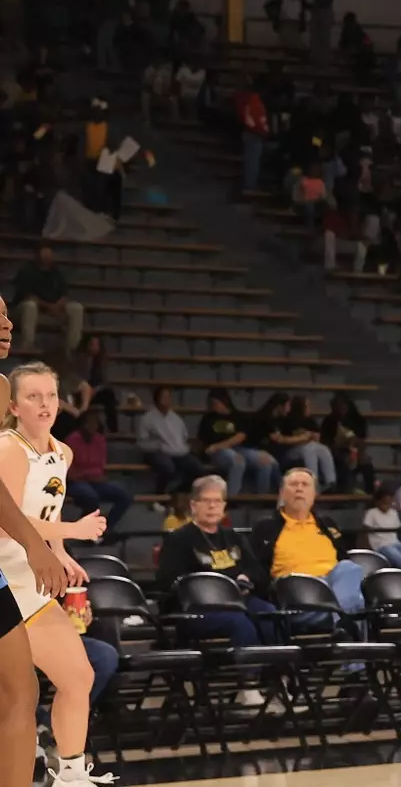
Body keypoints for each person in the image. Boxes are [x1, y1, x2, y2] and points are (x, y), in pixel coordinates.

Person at [0, 363, 113, 786]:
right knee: (17, 693)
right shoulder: (8, 448)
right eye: (33, 397)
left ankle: (69, 774)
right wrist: (73, 531)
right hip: (5, 577)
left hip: (32, 578)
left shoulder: (61, 452)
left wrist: (61, 552)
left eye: (51, 396)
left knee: (78, 676)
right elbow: (8, 519)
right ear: (14, 406)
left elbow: (51, 505)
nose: (45, 404)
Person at [155, 476, 280, 705]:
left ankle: (275, 683)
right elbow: (168, 581)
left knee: (270, 614)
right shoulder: (179, 540)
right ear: (194, 505)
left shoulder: (234, 537)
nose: (212, 506)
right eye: (206, 501)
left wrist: (247, 578)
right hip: (200, 608)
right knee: (239, 622)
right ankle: (248, 685)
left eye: (217, 501)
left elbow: (258, 573)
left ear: (224, 506)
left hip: (239, 600)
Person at [249, 467, 366, 618]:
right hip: (297, 593)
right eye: (293, 484)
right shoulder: (265, 527)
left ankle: (336, 620)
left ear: (314, 494)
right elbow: (257, 571)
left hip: (332, 589)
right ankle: (344, 622)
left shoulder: (327, 524)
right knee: (353, 604)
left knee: (348, 568)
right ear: (282, 493)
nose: (299, 489)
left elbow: (343, 558)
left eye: (305, 485)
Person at [14, 245, 86, 354]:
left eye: (49, 253)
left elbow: (64, 294)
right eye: (45, 253)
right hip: (27, 311)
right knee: (30, 306)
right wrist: (48, 306)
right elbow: (27, 296)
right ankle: (27, 346)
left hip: (53, 312)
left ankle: (71, 349)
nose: (47, 256)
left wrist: (58, 306)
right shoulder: (27, 271)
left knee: (76, 308)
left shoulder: (56, 273)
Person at [136, 387, 200, 495]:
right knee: (167, 468)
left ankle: (176, 493)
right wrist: (158, 446)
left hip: (178, 452)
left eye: (168, 397)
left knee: (197, 469)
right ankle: (159, 494)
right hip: (157, 451)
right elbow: (142, 443)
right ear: (157, 399)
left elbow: (184, 437)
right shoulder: (147, 418)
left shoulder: (176, 418)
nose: (167, 399)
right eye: (163, 397)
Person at [360, 490, 401, 570]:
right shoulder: (371, 513)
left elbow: (397, 529)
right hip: (381, 545)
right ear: (378, 502)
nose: (386, 505)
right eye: (384, 502)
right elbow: (364, 532)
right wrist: (369, 548)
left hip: (395, 543)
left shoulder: (393, 513)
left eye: (389, 502)